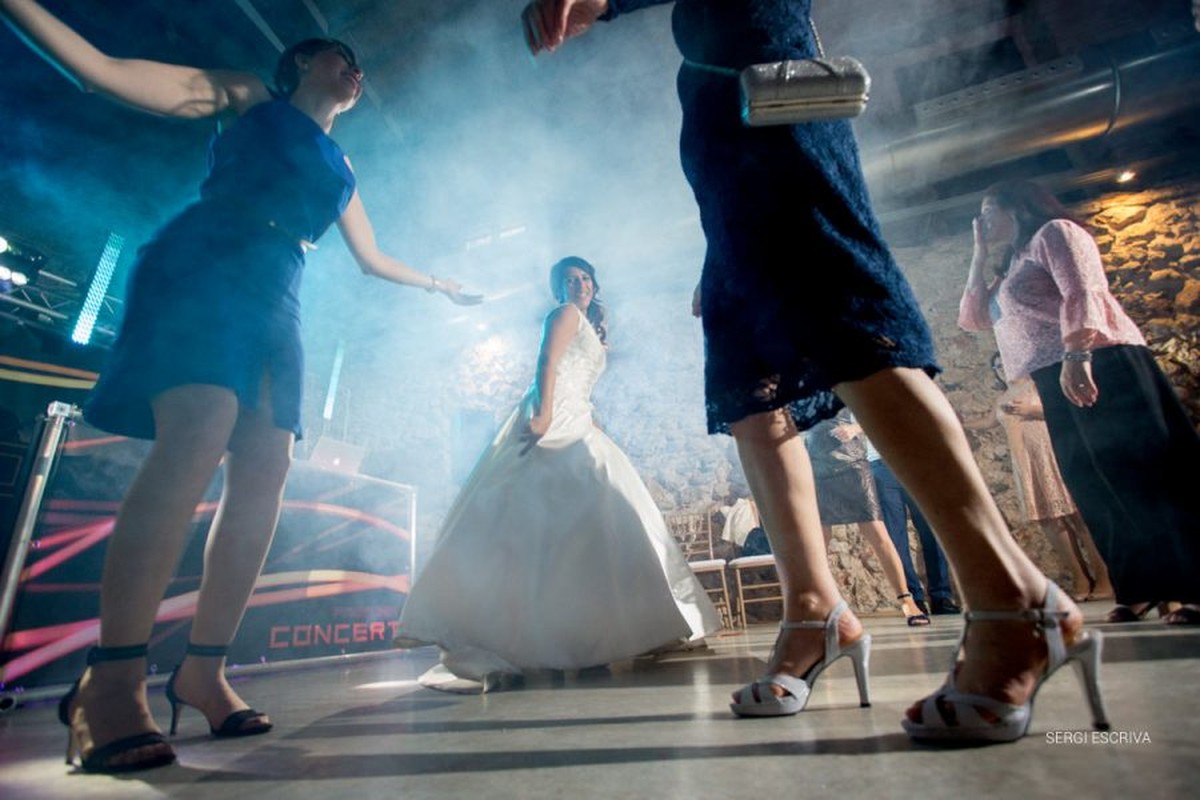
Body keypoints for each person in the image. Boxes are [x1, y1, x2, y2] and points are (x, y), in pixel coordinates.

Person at [522, 0, 1109, 743]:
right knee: (746, 377)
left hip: (765, 81)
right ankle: (813, 611)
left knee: (851, 322)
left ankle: (1011, 596)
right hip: (723, 112)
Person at [1, 0, 481, 774]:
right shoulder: (248, 99)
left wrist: (441, 285)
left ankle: (203, 669)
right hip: (210, 259)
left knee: (265, 472)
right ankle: (111, 678)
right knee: (197, 431)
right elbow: (104, 75)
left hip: (280, 288)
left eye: (356, 62)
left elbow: (369, 257)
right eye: (336, 54)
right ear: (297, 65)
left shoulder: (344, 167)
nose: (352, 65)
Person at [396, 257, 720, 688]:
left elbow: (578, 378)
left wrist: (590, 416)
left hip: (579, 416)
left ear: (595, 284)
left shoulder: (591, 326)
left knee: (590, 517)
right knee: (551, 516)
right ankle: (546, 634)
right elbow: (547, 362)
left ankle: (587, 632)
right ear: (559, 290)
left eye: (585, 277)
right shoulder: (565, 314)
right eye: (569, 280)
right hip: (554, 415)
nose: (579, 284)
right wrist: (544, 414)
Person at [961, 178, 1200, 626]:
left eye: (989, 209)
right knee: (1093, 481)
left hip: (1101, 360)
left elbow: (1084, 290)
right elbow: (973, 318)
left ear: (1018, 207)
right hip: (1053, 374)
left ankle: (1192, 586)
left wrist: (1077, 354)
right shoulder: (1012, 263)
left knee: (1146, 473)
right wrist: (978, 255)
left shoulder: (1055, 233)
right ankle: (1141, 588)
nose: (982, 220)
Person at [992, 363, 1113, 602]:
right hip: (1026, 464)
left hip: (1052, 455)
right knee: (1049, 521)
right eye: (996, 366)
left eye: (1004, 363)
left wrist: (1032, 409)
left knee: (1078, 517)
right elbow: (987, 422)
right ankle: (1079, 577)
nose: (1002, 368)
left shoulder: (1038, 385)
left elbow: (1062, 409)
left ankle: (1104, 577)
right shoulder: (1001, 398)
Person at [806, 410, 931, 626]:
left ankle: (907, 601)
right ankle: (824, 608)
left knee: (878, 533)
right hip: (817, 468)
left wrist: (855, 428)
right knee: (820, 541)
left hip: (852, 463)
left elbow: (873, 414)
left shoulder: (844, 380)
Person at [865, 439, 960, 617]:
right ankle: (914, 599)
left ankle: (941, 597)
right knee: (896, 538)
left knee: (932, 533)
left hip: (917, 461)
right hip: (880, 465)